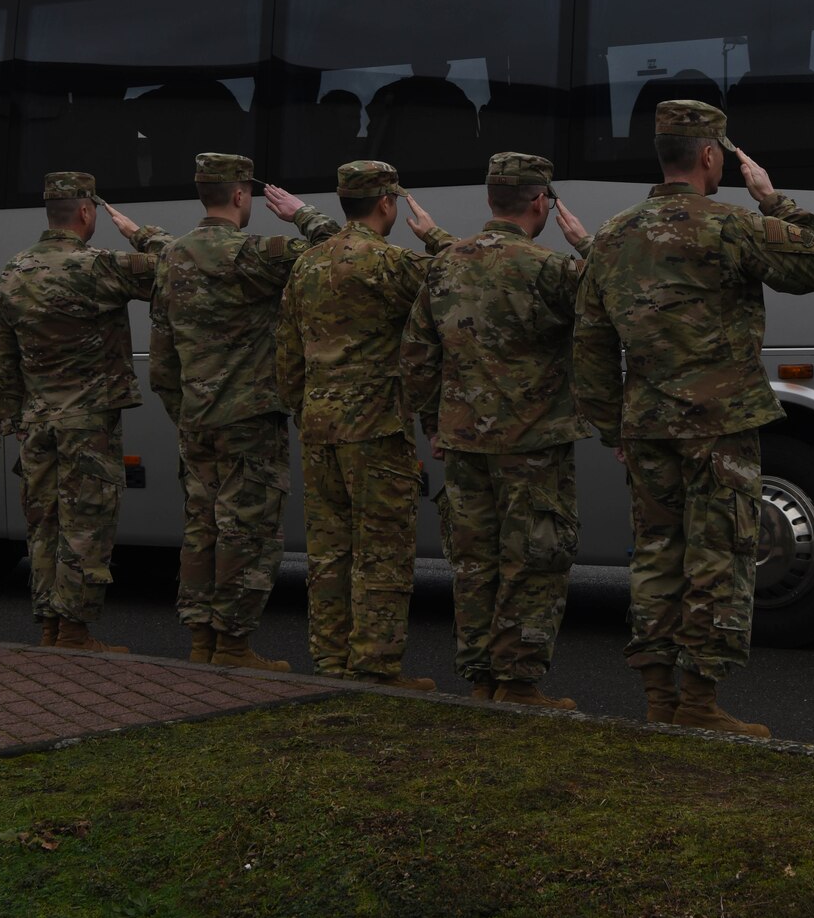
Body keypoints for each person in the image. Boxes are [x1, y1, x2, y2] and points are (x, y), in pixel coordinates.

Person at [574, 101, 814, 734]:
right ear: (712, 156)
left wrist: (616, 426)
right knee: (719, 554)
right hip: (719, 426)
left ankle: (659, 697)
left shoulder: (611, 236)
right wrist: (773, 199)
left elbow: (591, 343)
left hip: (647, 425)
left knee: (658, 556)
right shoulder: (730, 225)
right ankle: (698, 703)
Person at [401, 152, 592, 708]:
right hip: (533, 445)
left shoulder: (444, 266)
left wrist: (433, 422)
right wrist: (585, 243)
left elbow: (416, 358)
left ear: (490, 201)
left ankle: (481, 678)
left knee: (474, 560)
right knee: (534, 558)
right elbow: (622, 298)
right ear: (541, 203)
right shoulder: (551, 269)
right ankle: (518, 682)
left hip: (463, 443)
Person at [149, 153, 340, 671]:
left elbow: (162, 356)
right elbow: (343, 252)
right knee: (246, 530)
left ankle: (200, 642)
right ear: (239, 195)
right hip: (249, 419)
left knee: (201, 526)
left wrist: (185, 409)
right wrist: (303, 213)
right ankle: (232, 645)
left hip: (196, 417)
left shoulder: (172, 256)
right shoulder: (257, 253)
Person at [276, 160, 451, 689]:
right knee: (381, 552)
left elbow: (287, 355)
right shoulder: (392, 263)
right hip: (375, 429)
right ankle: (373, 666)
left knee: (329, 554)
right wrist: (436, 238)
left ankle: (331, 663)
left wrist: (305, 409)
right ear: (387, 203)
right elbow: (463, 281)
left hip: (319, 426)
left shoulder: (306, 266)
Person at [0, 172, 170, 651]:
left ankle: (51, 625)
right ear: (86, 213)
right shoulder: (99, 267)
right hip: (87, 422)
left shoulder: (13, 271)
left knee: (44, 524)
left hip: (36, 422)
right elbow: (177, 268)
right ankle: (74, 632)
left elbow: (1, 360)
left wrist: (14, 420)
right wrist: (141, 233)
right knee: (86, 525)